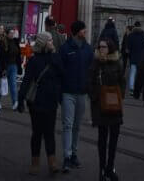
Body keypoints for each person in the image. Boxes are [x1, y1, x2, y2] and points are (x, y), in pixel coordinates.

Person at [18, 31, 63, 176]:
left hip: (51, 101)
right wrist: (20, 99)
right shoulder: (34, 60)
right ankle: (35, 162)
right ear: (43, 43)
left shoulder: (55, 58)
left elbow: (62, 76)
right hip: (36, 102)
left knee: (49, 132)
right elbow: (26, 80)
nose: (52, 42)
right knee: (37, 132)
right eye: (50, 40)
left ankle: (52, 162)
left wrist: (60, 97)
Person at [88, 37, 125, 181]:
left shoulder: (117, 63)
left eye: (103, 47)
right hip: (100, 106)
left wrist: (119, 95)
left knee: (114, 138)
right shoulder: (95, 63)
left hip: (114, 105)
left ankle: (110, 167)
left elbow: (122, 80)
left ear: (110, 48)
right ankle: (102, 169)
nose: (101, 49)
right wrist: (94, 96)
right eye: (99, 47)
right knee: (102, 139)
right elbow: (89, 80)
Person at [59, 20, 93, 173]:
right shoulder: (65, 48)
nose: (85, 32)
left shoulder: (88, 49)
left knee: (77, 126)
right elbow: (60, 70)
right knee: (68, 125)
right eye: (83, 30)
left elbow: (92, 69)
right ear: (77, 31)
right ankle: (66, 156)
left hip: (82, 93)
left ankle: (74, 154)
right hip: (68, 92)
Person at [125, 21, 144, 93]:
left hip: (133, 57)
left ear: (134, 26)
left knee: (132, 73)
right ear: (140, 26)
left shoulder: (131, 35)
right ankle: (139, 88)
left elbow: (128, 48)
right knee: (140, 74)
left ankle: (131, 88)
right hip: (141, 58)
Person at [5, 29, 23, 111]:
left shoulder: (15, 41)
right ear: (7, 34)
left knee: (13, 84)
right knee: (3, 85)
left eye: (13, 33)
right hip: (6, 65)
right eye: (11, 33)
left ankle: (15, 102)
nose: (12, 34)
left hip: (14, 65)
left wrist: (19, 64)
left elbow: (18, 54)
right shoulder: (5, 42)